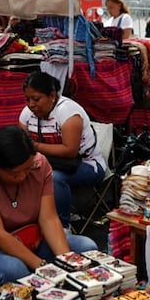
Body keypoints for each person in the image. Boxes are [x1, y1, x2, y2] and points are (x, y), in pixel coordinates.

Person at [0, 126, 97, 285]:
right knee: (15, 269)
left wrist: (67, 261)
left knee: (86, 248)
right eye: (14, 174)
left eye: (27, 169)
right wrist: (43, 268)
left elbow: (49, 219)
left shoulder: (38, 164)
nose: (22, 176)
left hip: (31, 241)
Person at [19, 72, 107, 228]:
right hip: (48, 163)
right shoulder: (27, 114)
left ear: (52, 96)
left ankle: (62, 227)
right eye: (27, 99)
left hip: (87, 165)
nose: (31, 104)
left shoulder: (68, 113)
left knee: (54, 178)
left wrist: (35, 146)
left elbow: (69, 150)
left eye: (36, 99)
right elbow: (23, 146)